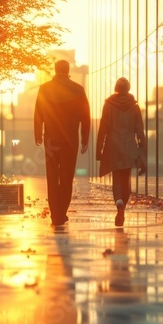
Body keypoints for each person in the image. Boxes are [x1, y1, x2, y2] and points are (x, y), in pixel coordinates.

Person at [34, 60, 91, 228]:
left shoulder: (45, 89)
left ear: (55, 69)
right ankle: (62, 213)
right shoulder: (78, 90)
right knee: (66, 178)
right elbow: (85, 116)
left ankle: (55, 215)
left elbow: (38, 113)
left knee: (52, 177)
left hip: (51, 140)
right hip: (70, 141)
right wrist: (85, 139)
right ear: (68, 70)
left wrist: (38, 134)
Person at [95, 77, 146, 227]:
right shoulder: (134, 107)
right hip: (129, 146)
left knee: (116, 177)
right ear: (128, 89)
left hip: (113, 146)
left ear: (116, 88)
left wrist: (99, 150)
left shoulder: (108, 105)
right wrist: (142, 151)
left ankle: (119, 205)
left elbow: (103, 128)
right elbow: (140, 130)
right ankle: (123, 205)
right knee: (126, 178)